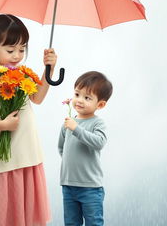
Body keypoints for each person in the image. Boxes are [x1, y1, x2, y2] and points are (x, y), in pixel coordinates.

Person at [0, 14, 57, 226]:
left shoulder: (22, 75)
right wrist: (3, 125)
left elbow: (37, 98)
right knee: (1, 219)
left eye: (22, 49)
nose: (17, 55)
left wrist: (49, 69)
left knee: (26, 219)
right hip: (2, 164)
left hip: (27, 155)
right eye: (10, 50)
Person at [58, 71, 113, 226]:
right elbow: (62, 148)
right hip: (68, 185)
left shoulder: (97, 123)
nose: (79, 100)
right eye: (77, 94)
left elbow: (99, 142)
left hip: (90, 187)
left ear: (100, 104)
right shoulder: (69, 122)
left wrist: (77, 129)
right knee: (71, 223)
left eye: (87, 97)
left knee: (93, 223)